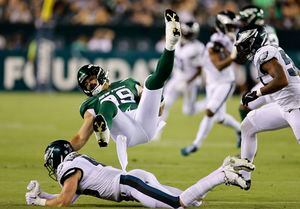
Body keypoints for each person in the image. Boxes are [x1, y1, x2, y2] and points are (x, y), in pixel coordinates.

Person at [68, 9, 181, 169]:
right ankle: (103, 132)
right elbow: (81, 137)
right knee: (108, 105)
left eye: (91, 79)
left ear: (99, 75)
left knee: (151, 81)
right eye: (86, 84)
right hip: (126, 132)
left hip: (144, 120)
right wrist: (65, 149)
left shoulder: (127, 82)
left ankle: (170, 44)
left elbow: (159, 112)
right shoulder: (90, 104)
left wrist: (156, 99)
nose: (90, 84)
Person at [25, 139, 255, 207]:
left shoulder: (67, 168)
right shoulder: (77, 162)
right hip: (133, 179)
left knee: (178, 204)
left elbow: (64, 201)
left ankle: (222, 174)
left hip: (130, 184)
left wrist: (38, 203)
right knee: (195, 202)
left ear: (57, 158)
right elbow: (70, 197)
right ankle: (223, 167)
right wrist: (42, 195)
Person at [235, 25, 300, 190]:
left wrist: (257, 93)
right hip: (285, 106)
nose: (242, 50)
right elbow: (295, 73)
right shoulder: (271, 50)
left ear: (253, 42)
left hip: (296, 107)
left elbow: (282, 80)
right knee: (248, 125)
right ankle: (244, 177)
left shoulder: (263, 54)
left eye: (244, 45)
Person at [181, 10, 241, 156]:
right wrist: (234, 52)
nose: (233, 29)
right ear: (221, 26)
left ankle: (196, 144)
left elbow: (236, 60)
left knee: (210, 111)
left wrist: (235, 50)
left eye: (234, 25)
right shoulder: (216, 41)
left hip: (225, 82)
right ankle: (240, 130)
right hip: (212, 82)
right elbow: (219, 65)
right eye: (230, 26)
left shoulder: (229, 40)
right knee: (219, 118)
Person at [236, 5, 280, 148]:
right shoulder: (264, 29)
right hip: (270, 77)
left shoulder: (259, 32)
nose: (242, 22)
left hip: (273, 78)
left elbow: (270, 55)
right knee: (244, 107)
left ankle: (245, 141)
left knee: (290, 111)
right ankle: (245, 140)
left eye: (244, 19)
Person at [161, 20, 206, 128]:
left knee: (188, 111)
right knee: (164, 103)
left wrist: (187, 82)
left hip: (189, 81)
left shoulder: (197, 47)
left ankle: (208, 103)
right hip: (177, 77)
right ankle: (157, 131)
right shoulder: (176, 41)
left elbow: (199, 69)